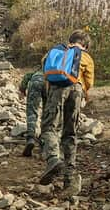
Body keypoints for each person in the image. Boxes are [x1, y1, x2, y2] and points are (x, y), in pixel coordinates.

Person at [38, 30, 94, 196]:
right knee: (70, 133)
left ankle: (53, 159)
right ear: (85, 45)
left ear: (70, 41)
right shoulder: (86, 57)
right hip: (76, 90)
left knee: (49, 128)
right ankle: (69, 179)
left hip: (56, 90)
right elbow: (89, 81)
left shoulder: (55, 51)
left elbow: (45, 68)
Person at [19, 68, 46, 157]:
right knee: (47, 114)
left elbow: (27, 76)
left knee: (32, 111)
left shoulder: (37, 71)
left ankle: (31, 138)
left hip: (35, 82)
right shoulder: (55, 71)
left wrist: (22, 90)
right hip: (49, 84)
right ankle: (44, 142)